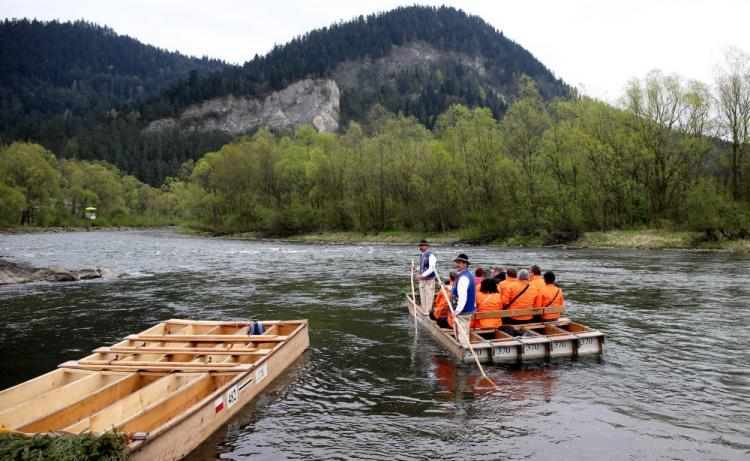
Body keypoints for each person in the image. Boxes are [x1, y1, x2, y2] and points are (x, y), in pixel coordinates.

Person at [450, 253, 475, 347]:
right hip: (468, 310)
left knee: (462, 333)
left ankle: (465, 350)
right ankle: (465, 347)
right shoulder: (468, 275)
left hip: (463, 312)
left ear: (465, 264)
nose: (457, 264)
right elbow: (459, 289)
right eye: (457, 262)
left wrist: (457, 311)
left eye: (459, 263)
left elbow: (463, 296)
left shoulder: (463, 278)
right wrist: (448, 287)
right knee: (464, 330)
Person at [413, 239, 436, 315]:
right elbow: (422, 266)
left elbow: (431, 268)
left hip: (429, 281)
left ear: (427, 246)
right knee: (423, 298)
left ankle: (427, 314)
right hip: (422, 280)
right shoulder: (422, 255)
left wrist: (421, 275)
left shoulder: (431, 256)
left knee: (429, 298)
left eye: (423, 246)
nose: (421, 247)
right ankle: (424, 312)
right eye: (420, 246)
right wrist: (416, 269)